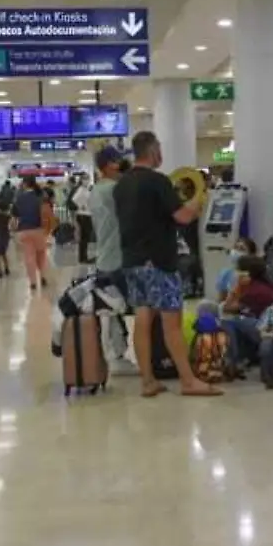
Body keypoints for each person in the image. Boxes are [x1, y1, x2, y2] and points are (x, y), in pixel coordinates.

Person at [115, 131, 222, 398]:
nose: (161, 154)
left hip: (132, 261)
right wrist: (199, 198)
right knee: (170, 322)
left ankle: (148, 381)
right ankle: (188, 381)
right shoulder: (158, 181)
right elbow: (183, 217)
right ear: (152, 151)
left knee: (142, 319)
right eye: (159, 149)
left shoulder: (121, 185)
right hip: (158, 262)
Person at [220, 255, 273, 364]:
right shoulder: (263, 285)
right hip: (260, 323)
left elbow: (227, 308)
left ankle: (232, 361)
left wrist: (236, 289)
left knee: (226, 321)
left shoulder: (254, 291)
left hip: (266, 329)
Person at [90, 147, 129, 278]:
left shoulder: (96, 189)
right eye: (118, 162)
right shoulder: (113, 189)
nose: (121, 167)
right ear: (107, 166)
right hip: (117, 262)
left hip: (105, 259)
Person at [13, 175, 50, 290]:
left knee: (29, 257)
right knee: (41, 255)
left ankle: (33, 282)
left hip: (24, 230)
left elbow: (15, 214)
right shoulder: (41, 196)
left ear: (24, 184)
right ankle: (43, 277)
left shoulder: (19, 197)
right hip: (39, 229)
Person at [70, 173, 95, 264]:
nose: (87, 180)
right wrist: (82, 206)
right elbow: (74, 200)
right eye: (85, 178)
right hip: (84, 216)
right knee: (85, 237)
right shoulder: (81, 190)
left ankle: (84, 257)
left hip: (86, 215)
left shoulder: (85, 189)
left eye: (88, 178)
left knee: (85, 238)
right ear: (81, 180)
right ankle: (83, 258)